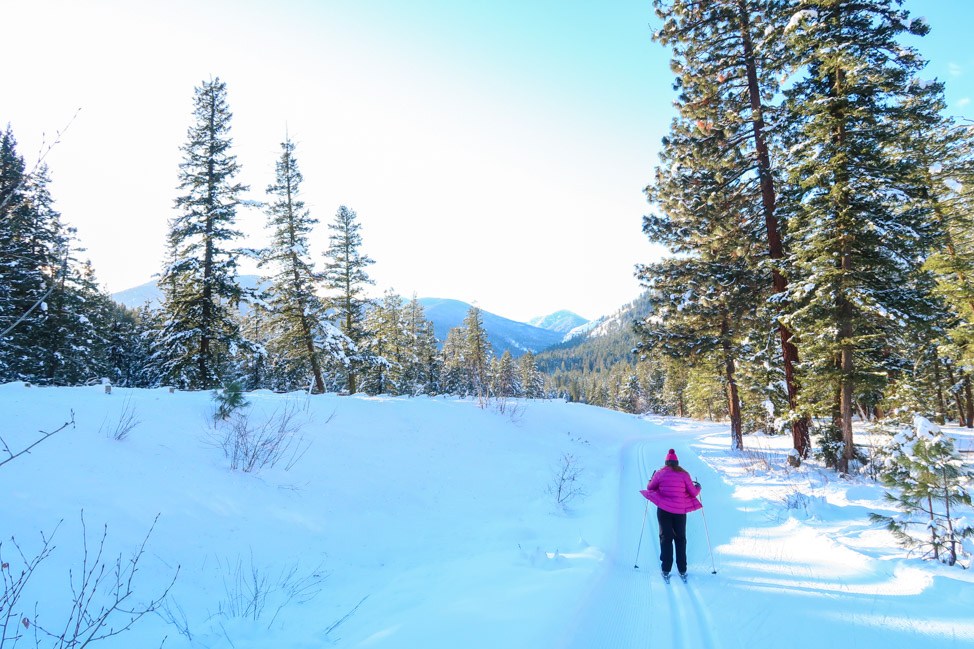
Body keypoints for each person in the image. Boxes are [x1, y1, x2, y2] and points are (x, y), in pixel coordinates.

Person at [639, 448, 701, 580]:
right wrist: (698, 486)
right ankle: (682, 569)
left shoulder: (660, 473)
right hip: (680, 512)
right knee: (681, 539)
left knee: (665, 538)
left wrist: (651, 480)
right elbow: (693, 493)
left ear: (666, 462)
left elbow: (650, 488)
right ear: (677, 462)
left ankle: (666, 569)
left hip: (664, 511)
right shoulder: (684, 475)